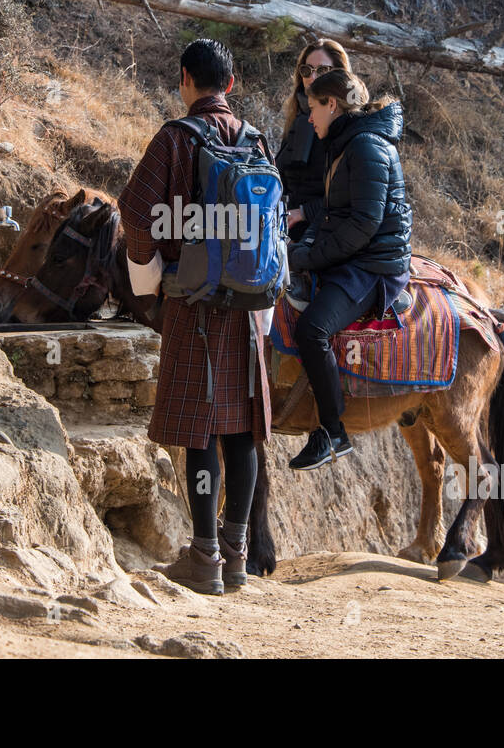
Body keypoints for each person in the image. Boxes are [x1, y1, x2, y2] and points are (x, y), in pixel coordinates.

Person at [117, 39, 273, 595]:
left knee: (200, 428)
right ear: (229, 84)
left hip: (192, 301)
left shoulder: (175, 139)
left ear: (186, 80)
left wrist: (147, 273)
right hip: (251, 308)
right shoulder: (257, 141)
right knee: (243, 429)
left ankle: (203, 556)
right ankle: (235, 556)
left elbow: (136, 211)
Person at [285, 69, 413, 471]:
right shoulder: (348, 143)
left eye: (314, 109)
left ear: (332, 105)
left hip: (374, 267)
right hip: (356, 256)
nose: (309, 118)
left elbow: (363, 225)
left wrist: (307, 257)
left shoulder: (365, 146)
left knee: (313, 329)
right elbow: (342, 212)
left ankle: (331, 431)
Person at [274, 39, 353, 243]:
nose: (313, 77)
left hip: (326, 229)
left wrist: (303, 212)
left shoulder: (349, 124)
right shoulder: (298, 118)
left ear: (340, 74)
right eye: (307, 70)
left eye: (323, 70)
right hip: (288, 223)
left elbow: (352, 195)